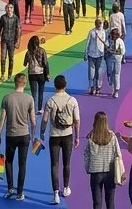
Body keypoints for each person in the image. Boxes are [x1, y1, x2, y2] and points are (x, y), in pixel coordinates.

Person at [0, 74, 36, 201]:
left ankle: (10, 188)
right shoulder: (29, 99)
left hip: (11, 135)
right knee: (22, 164)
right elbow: (33, 121)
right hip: (24, 135)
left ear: (15, 83)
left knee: (9, 161)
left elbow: (2, 118)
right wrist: (33, 135)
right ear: (25, 83)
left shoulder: (7, 98)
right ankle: (20, 192)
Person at [42, 74, 80, 203]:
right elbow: (77, 120)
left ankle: (55, 193)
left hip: (54, 135)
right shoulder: (72, 100)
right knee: (66, 163)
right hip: (68, 135)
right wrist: (77, 136)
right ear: (65, 85)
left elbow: (45, 119)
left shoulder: (50, 101)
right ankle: (66, 187)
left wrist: (42, 132)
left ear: (55, 86)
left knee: (54, 164)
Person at [84, 110, 121, 209]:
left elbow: (86, 155)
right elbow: (118, 154)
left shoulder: (91, 137)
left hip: (95, 172)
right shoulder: (112, 136)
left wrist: (88, 169)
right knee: (110, 201)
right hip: (110, 173)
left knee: (97, 202)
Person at [25, 34, 50, 109]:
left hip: (32, 74)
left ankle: (32, 108)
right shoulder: (42, 51)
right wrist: (48, 74)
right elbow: (45, 63)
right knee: (41, 92)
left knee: (33, 93)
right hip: (41, 74)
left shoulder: (28, 52)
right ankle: (40, 108)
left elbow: (24, 63)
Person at [0, 2, 21, 80]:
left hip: (12, 41)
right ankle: (2, 74)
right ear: (5, 9)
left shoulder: (16, 18)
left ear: (13, 9)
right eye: (8, 8)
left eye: (11, 7)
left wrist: (18, 41)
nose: (9, 9)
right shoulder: (3, 17)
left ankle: (9, 75)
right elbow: (0, 28)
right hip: (4, 40)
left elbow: (18, 30)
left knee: (11, 58)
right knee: (3, 57)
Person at [105, 27, 125, 97]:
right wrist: (108, 50)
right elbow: (106, 47)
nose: (113, 36)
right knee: (110, 73)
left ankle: (116, 90)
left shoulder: (120, 41)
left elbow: (123, 51)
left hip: (117, 59)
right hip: (110, 58)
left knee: (116, 73)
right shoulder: (109, 40)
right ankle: (112, 85)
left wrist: (118, 54)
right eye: (112, 34)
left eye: (115, 35)